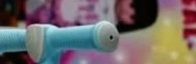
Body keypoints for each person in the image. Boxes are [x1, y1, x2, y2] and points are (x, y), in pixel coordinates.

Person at [25, 0, 158, 30]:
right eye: (132, 5)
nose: (128, 12)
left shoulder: (108, 28)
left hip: (58, 20)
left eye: (132, 18)